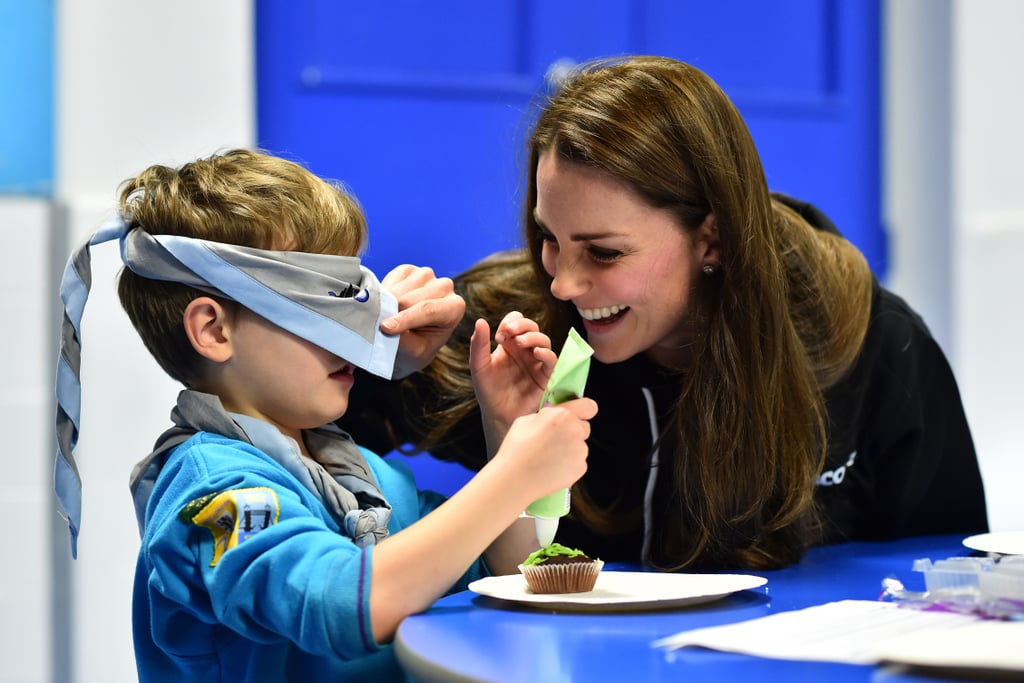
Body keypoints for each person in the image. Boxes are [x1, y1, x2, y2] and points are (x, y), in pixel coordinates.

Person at [339, 55, 989, 571]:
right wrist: (382, 355)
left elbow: (951, 573)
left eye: (604, 251)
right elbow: (289, 417)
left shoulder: (869, 343)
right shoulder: (515, 331)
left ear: (711, 238)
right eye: (549, 238)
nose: (564, 282)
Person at [52, 149, 597, 681]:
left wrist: (506, 435)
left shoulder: (368, 476)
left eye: (358, 299)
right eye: (321, 306)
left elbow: (500, 569)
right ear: (214, 330)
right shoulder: (215, 490)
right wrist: (514, 474)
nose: (353, 331)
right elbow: (338, 603)